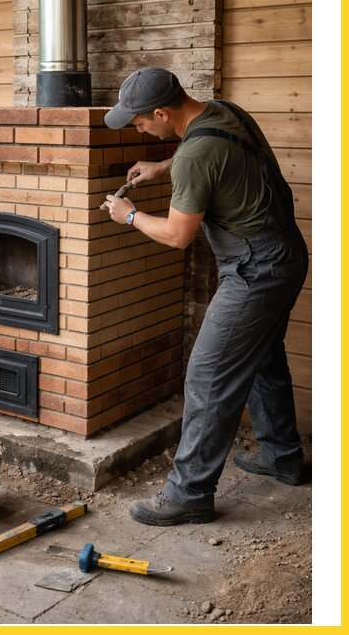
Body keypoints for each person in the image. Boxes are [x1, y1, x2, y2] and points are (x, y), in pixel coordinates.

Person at [102, 67, 308, 525]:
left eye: (138, 123)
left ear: (160, 112)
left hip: (257, 269)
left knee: (209, 375)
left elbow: (178, 235)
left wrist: (130, 215)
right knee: (262, 358)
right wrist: (162, 168)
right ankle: (283, 458)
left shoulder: (195, 155)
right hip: (286, 253)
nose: (139, 131)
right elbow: (217, 158)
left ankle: (189, 493)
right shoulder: (223, 113)